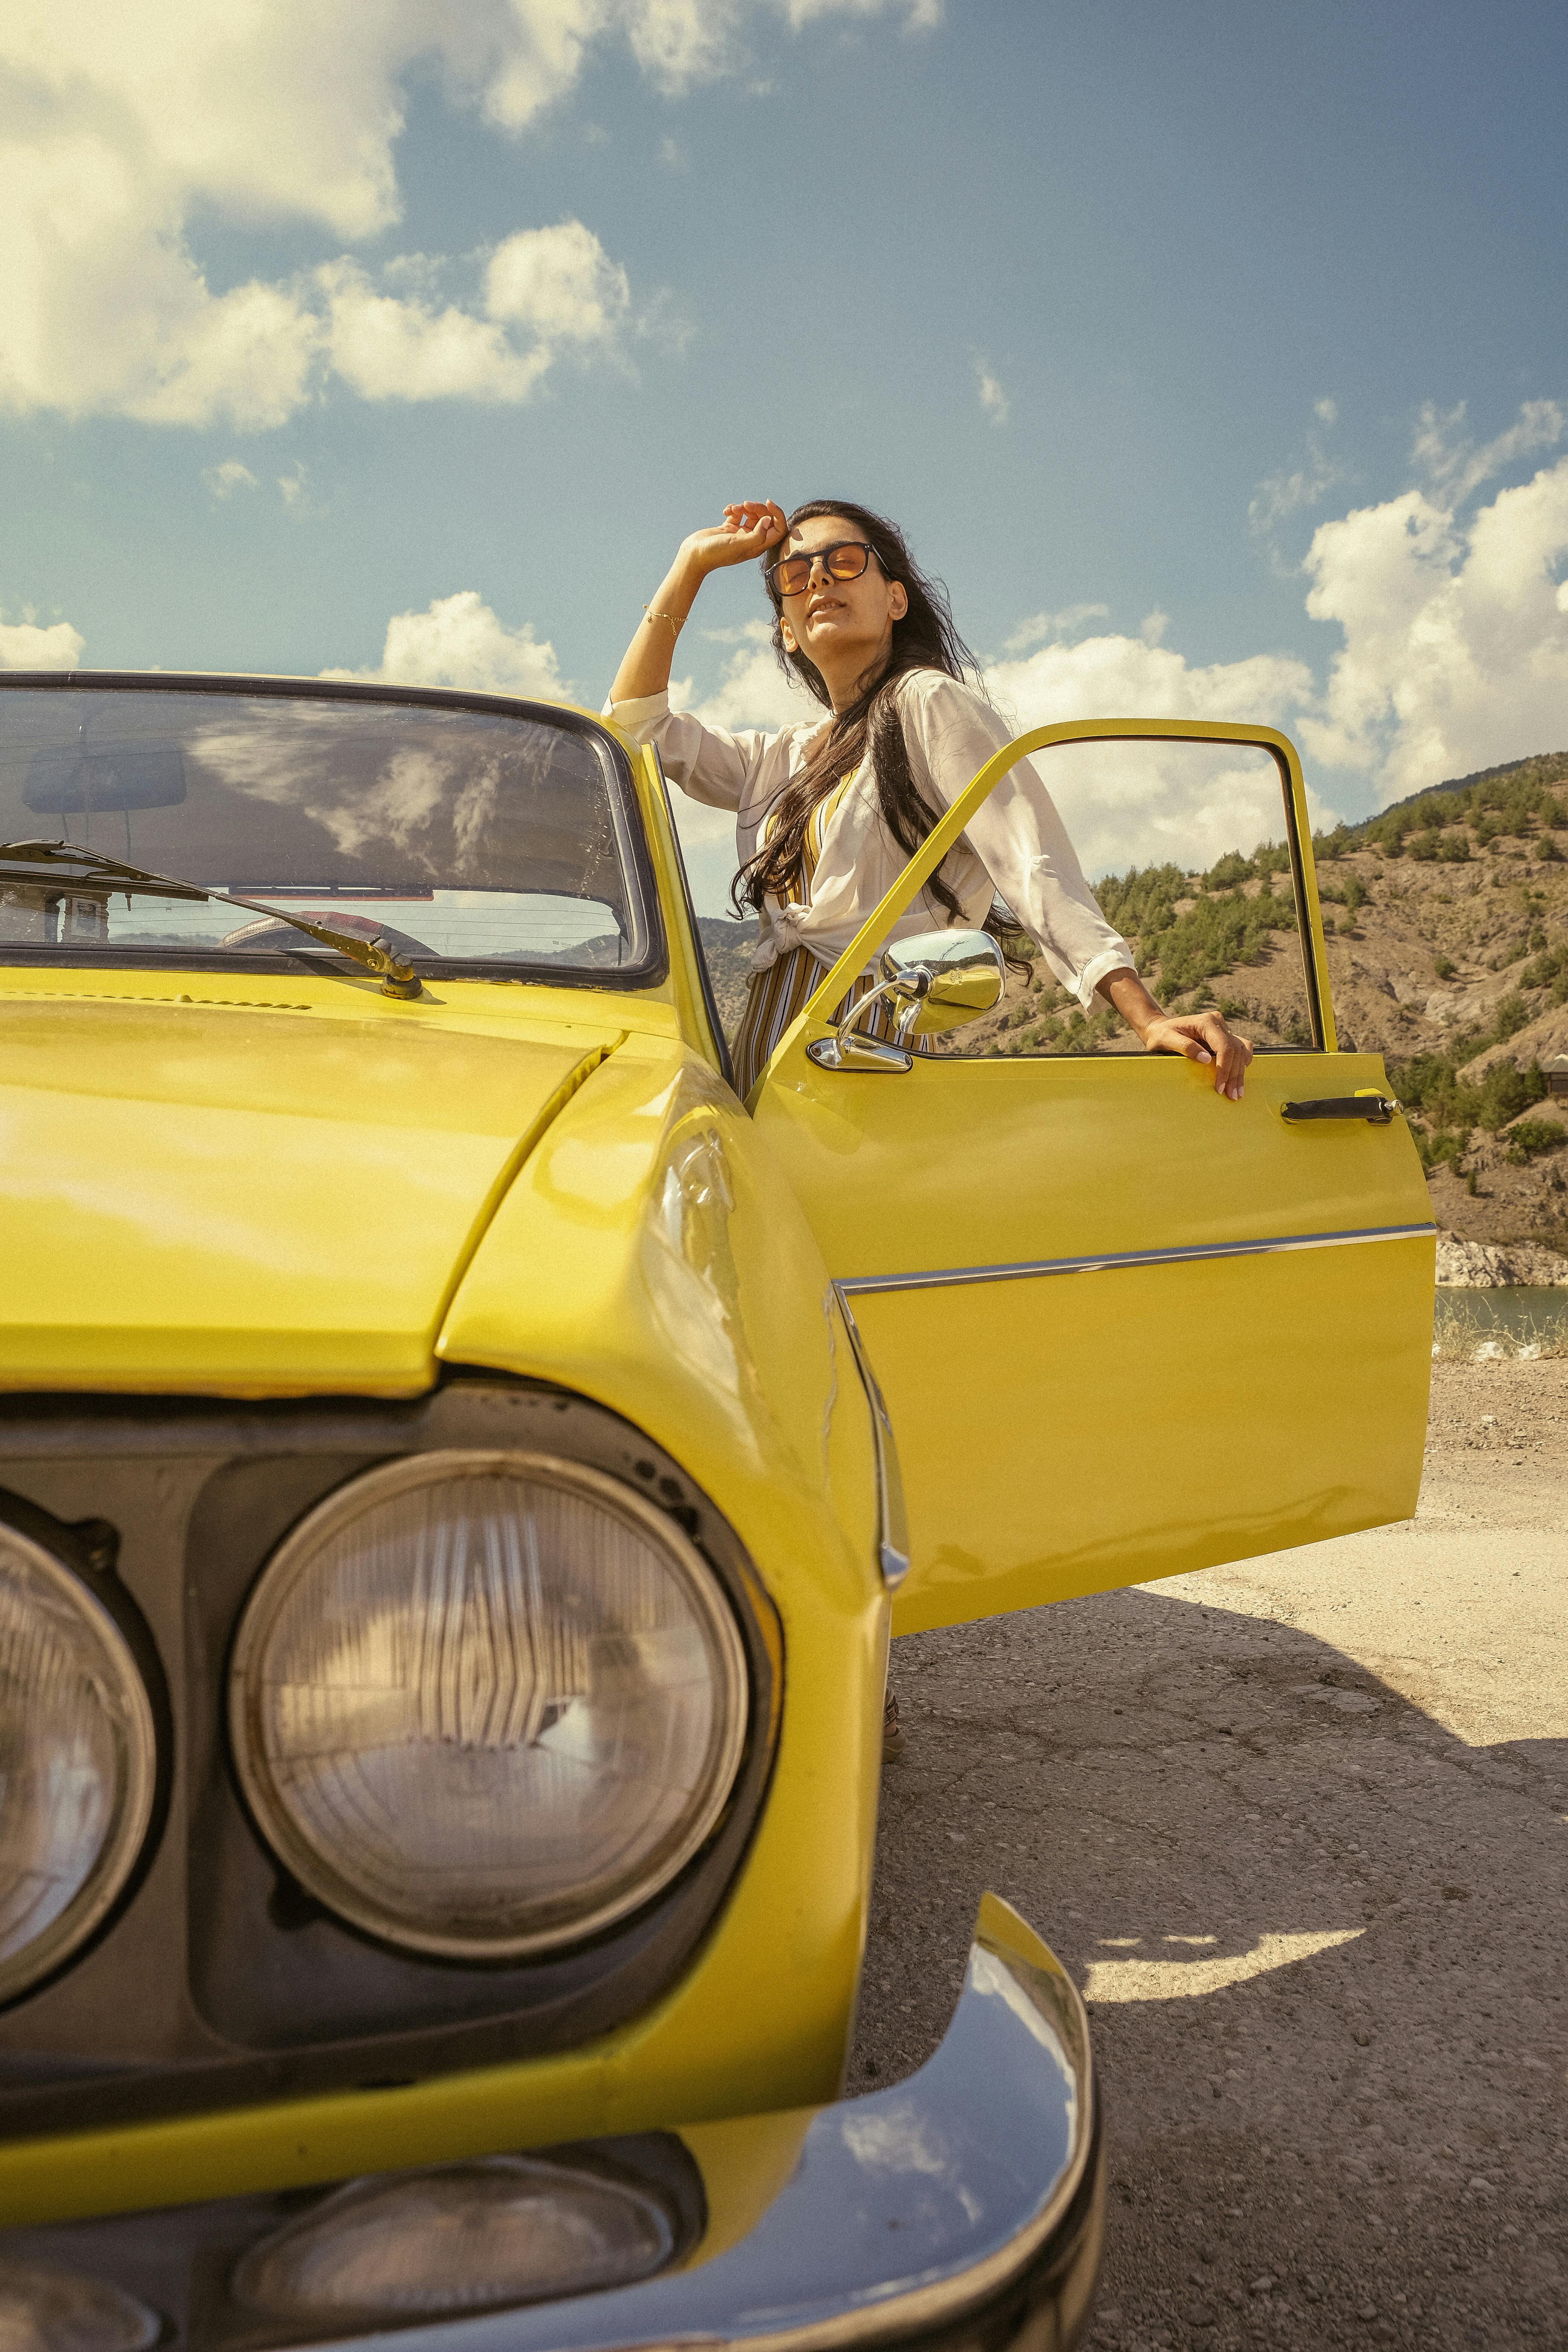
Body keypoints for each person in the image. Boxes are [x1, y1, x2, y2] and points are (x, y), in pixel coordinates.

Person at [606, 497, 1254, 1105]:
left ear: (895, 599)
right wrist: (691, 563)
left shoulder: (927, 703)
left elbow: (1031, 862)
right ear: (787, 632)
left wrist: (1147, 1017)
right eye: (795, 574)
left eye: (844, 561)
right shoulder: (781, 757)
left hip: (867, 1058)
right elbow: (635, 731)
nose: (820, 581)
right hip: (764, 1072)